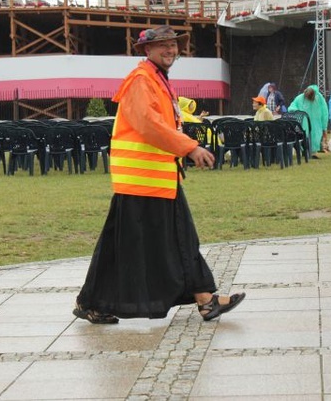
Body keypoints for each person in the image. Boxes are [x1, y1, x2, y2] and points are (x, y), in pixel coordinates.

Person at [74, 25, 245, 324]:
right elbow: (149, 125)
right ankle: (205, 300)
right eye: (164, 45)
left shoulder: (156, 80)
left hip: (154, 179)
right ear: (147, 51)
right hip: (144, 181)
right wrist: (190, 148)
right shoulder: (142, 81)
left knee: (150, 242)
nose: (171, 50)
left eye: (174, 45)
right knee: (163, 241)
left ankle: (203, 299)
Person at [288, 85, 329, 159]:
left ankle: (313, 152)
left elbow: (324, 110)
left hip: (316, 121)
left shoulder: (319, 98)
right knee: (305, 134)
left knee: (316, 136)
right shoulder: (300, 98)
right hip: (304, 121)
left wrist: (324, 124)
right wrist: (297, 112)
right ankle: (305, 151)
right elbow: (292, 107)